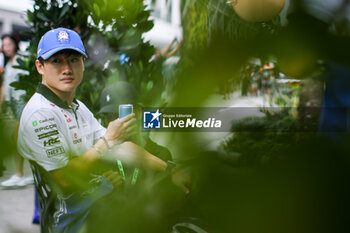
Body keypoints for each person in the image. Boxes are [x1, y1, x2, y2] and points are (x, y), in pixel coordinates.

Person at [17, 27, 180, 233]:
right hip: (74, 224)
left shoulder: (78, 108)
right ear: (40, 66)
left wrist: (170, 169)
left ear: (83, 64)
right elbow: (65, 179)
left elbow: (119, 147)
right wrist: (106, 143)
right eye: (57, 61)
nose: (67, 69)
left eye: (74, 60)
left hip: (99, 208)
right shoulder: (40, 114)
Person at [0, 33, 33, 188]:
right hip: (13, 105)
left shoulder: (22, 58)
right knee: (25, 140)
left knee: (17, 138)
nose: (6, 48)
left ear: (15, 44)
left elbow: (29, 82)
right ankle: (30, 174)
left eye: (9, 44)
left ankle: (19, 175)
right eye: (4, 45)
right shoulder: (8, 64)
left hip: (22, 103)